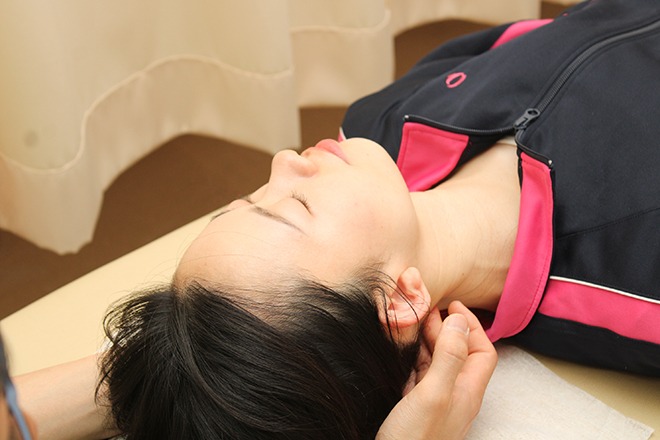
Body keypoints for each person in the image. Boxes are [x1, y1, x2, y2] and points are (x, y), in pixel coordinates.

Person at [13, 0, 660, 438]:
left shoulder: (383, 123)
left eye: (249, 197)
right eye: (293, 209)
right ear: (398, 300)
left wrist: (191, 368)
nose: (283, 162)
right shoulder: (634, 284)